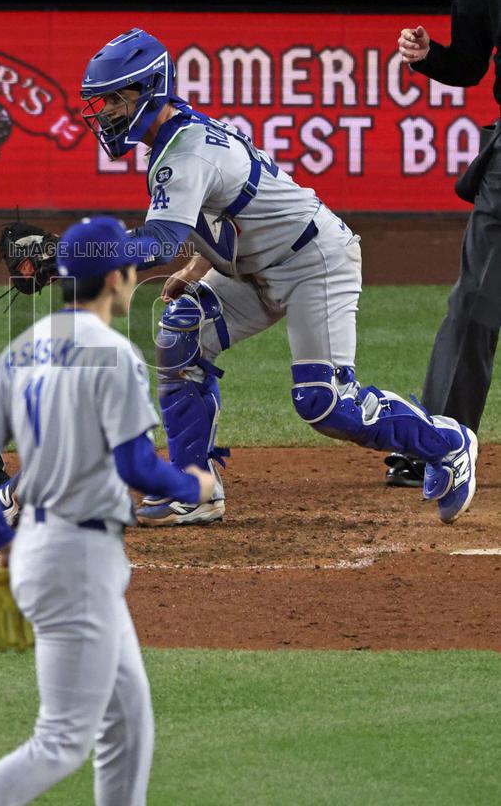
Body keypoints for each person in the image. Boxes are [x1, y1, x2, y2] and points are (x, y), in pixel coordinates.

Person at [74, 27, 477, 528]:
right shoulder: (178, 134)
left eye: (117, 99)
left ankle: (448, 442)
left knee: (325, 404)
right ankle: (194, 488)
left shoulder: (184, 152)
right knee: (181, 333)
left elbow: (158, 242)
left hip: (314, 262)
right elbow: (227, 209)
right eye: (105, 101)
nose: (107, 112)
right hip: (257, 269)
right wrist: (199, 266)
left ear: (151, 90)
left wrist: (73, 253)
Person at [0, 215, 215, 805]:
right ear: (117, 278)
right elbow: (137, 467)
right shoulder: (115, 355)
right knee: (62, 741)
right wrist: (192, 484)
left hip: (47, 549)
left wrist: (2, 540)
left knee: (127, 722)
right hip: (77, 560)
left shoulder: (23, 349)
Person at [385, 0, 501, 488]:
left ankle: (435, 443)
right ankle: (440, 441)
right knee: (477, 297)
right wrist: (431, 57)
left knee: (477, 298)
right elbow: (471, 66)